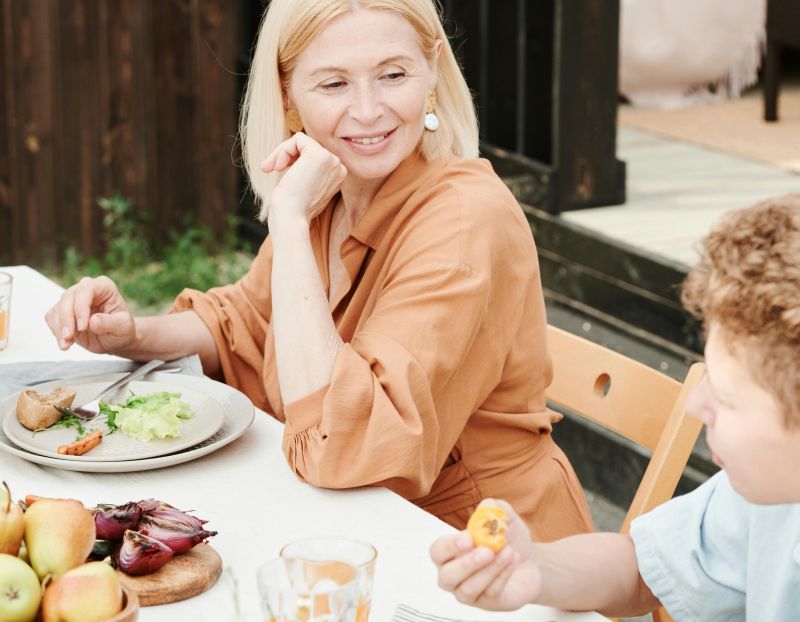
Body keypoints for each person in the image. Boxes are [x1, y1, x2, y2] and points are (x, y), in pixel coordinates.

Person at [44, 0, 592, 540]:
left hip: (484, 550)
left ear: (433, 72)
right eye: (334, 84)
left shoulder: (464, 219)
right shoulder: (333, 187)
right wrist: (132, 333)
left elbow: (344, 445)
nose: (369, 110)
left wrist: (285, 218)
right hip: (355, 524)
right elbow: (248, 323)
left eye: (393, 74)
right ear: (287, 95)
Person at [429, 194, 800, 620]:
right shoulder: (763, 493)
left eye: (729, 398)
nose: (696, 405)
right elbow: (643, 571)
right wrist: (536, 567)